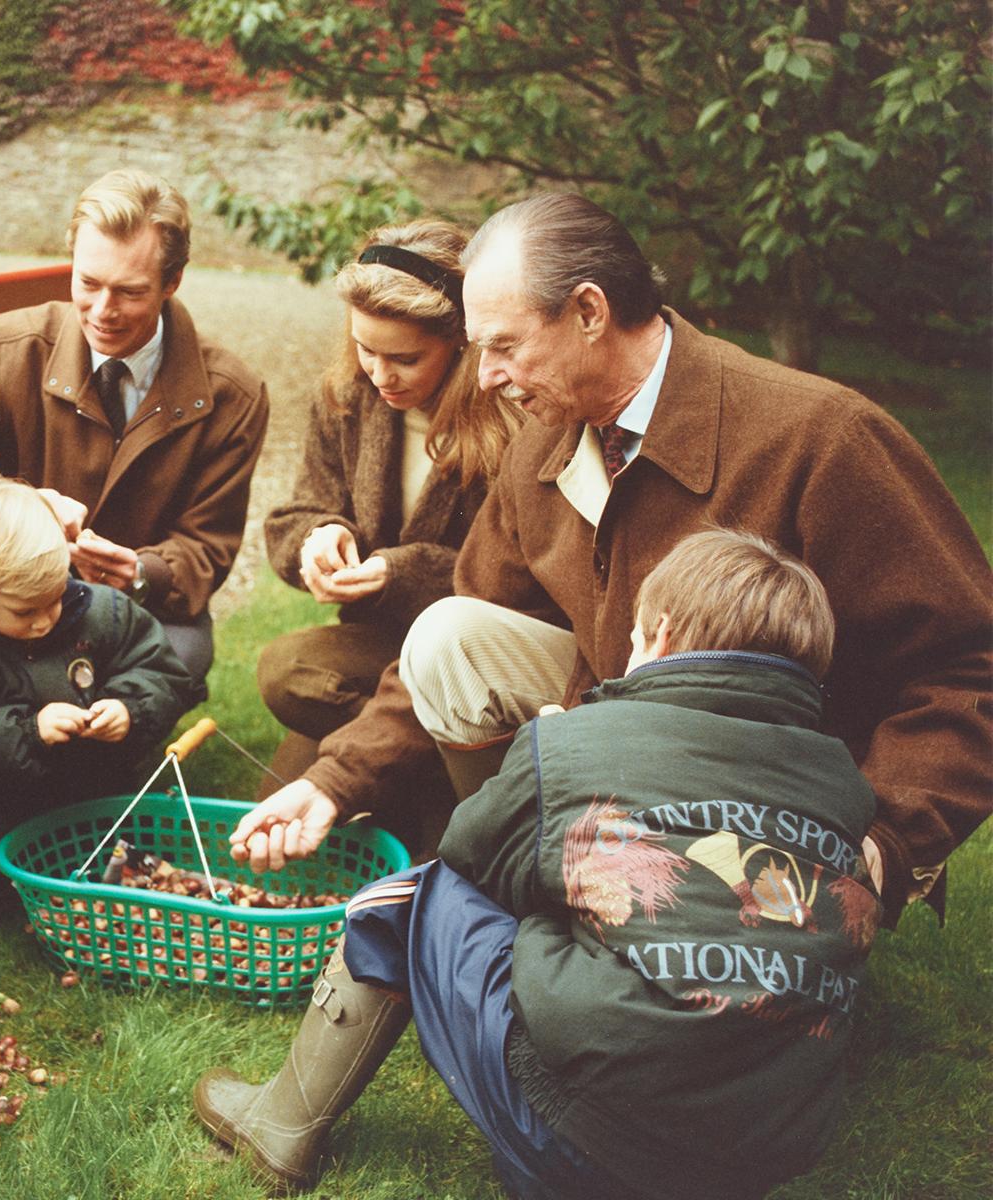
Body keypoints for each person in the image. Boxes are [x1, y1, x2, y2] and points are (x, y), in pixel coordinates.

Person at [230, 192, 993, 930]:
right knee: (447, 633)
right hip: (621, 749)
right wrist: (332, 783)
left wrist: (882, 842)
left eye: (503, 345)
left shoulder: (823, 439)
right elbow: (464, 625)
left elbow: (971, 664)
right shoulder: (546, 441)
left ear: (590, 312)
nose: (486, 376)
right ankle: (541, 889)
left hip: (777, 793)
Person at [197, 529, 882, 1198]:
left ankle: (280, 1125)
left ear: (662, 637)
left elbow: (473, 854)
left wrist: (545, 754)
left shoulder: (577, 739)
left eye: (635, 639)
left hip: (580, 1149)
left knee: (422, 890)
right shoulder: (843, 786)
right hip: (756, 1166)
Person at [0, 167, 269, 685]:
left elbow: (207, 551)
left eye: (130, 292)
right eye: (87, 283)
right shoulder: (6, 345)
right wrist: (19, 507)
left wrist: (140, 572)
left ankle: (100, 760)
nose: (103, 312)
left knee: (176, 660)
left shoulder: (233, 394)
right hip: (14, 574)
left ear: (172, 282)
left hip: (138, 603)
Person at [259, 218, 518, 828]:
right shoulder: (346, 397)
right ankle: (429, 768)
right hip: (377, 649)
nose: (379, 373)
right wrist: (318, 538)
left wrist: (396, 572)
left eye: (404, 358)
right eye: (364, 348)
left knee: (317, 775)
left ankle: (429, 767)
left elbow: (512, 582)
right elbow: (295, 513)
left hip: (471, 658)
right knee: (286, 681)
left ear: (463, 341)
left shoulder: (511, 421)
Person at [0, 479, 204, 954]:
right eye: (25, 609)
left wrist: (129, 707)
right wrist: (27, 731)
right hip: (3, 791)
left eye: (56, 596)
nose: (45, 619)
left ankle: (114, 892)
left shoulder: (104, 613)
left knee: (136, 828)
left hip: (101, 773)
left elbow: (159, 668)